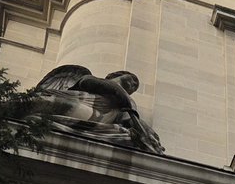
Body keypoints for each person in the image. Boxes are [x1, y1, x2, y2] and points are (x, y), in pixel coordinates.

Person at [31, 64, 164, 155]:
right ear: (118, 74)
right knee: (44, 102)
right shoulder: (94, 80)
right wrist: (121, 95)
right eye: (132, 79)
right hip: (83, 101)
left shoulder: (126, 103)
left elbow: (129, 119)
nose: (134, 84)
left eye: (135, 87)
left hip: (98, 115)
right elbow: (86, 82)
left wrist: (147, 134)